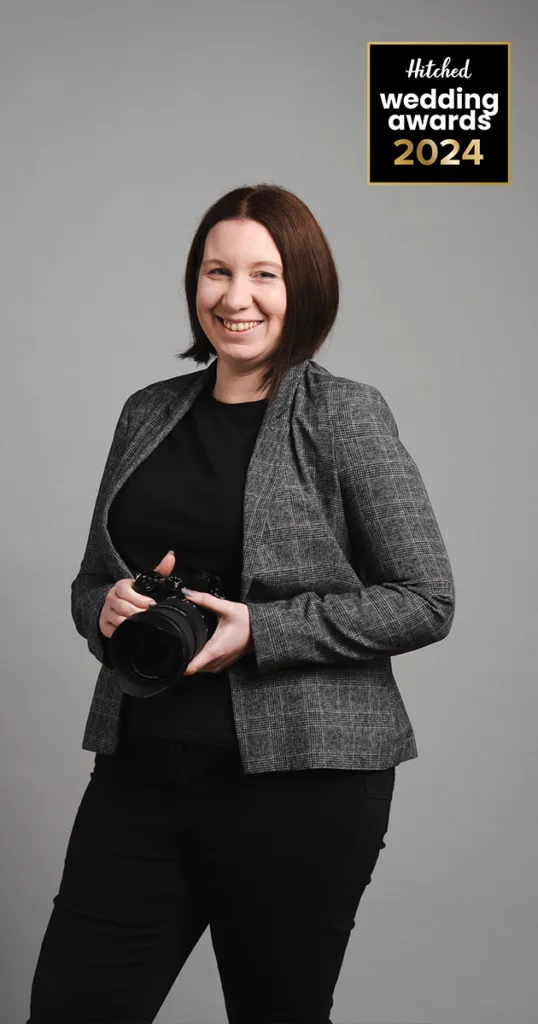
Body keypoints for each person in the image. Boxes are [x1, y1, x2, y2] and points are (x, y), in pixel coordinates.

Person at [26, 183, 455, 1024]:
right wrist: (105, 608)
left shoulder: (345, 416)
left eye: (265, 274)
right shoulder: (148, 412)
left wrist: (263, 630)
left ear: (304, 288)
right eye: (216, 272)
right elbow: (89, 581)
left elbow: (426, 598)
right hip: (141, 767)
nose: (236, 297)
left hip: (300, 787)